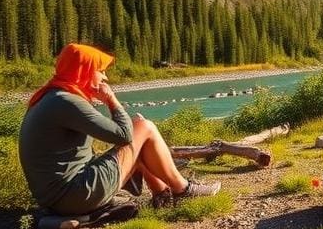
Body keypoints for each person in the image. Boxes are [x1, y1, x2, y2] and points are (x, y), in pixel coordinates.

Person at [19, 43, 219, 216]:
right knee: (145, 127)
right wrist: (112, 101)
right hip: (73, 196)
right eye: (101, 71)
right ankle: (183, 190)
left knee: (138, 131)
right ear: (85, 70)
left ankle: (163, 196)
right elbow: (124, 135)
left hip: (59, 198)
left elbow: (119, 135)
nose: (105, 77)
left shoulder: (54, 96)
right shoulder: (67, 101)